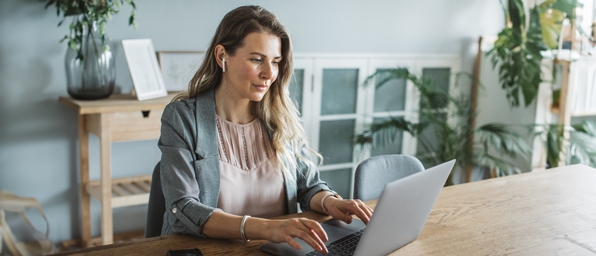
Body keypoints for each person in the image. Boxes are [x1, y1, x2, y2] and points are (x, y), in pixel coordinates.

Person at [158, 5, 373, 254]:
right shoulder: (182, 118)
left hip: (282, 250)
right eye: (257, 60)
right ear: (221, 56)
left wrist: (331, 202)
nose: (269, 74)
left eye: (276, 62)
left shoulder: (279, 116)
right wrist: (268, 229)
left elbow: (308, 185)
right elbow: (183, 207)